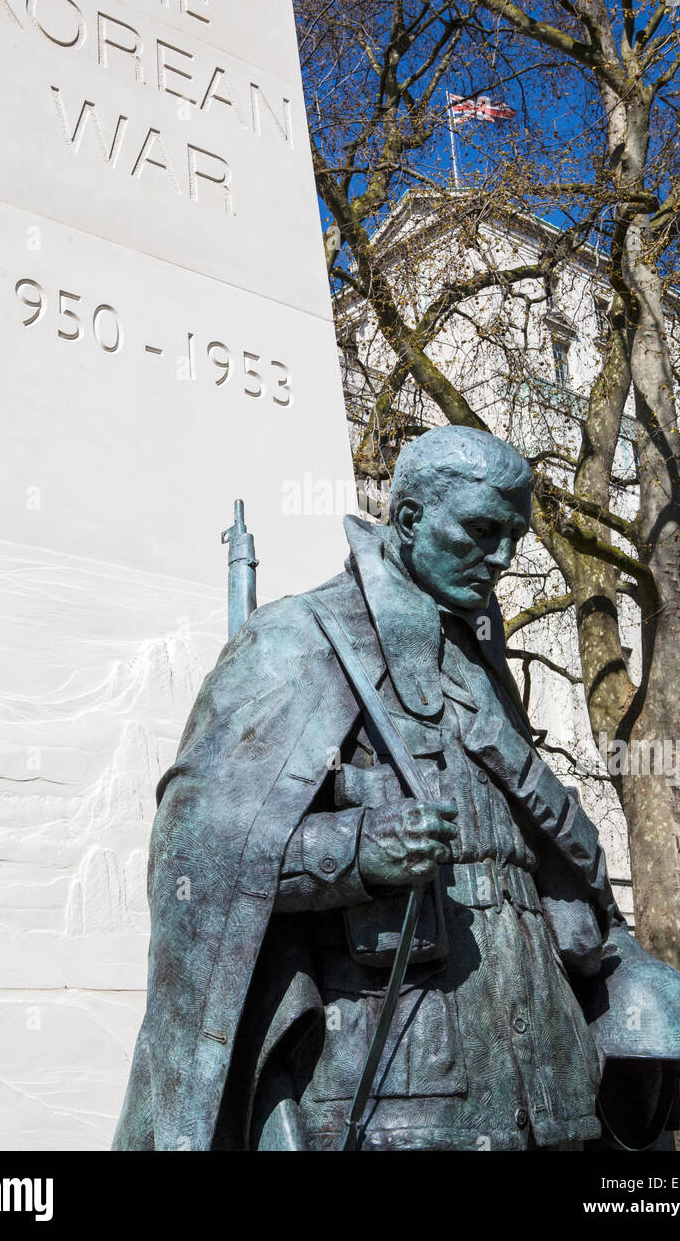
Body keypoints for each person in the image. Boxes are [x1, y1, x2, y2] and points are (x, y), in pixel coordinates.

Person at [114, 426, 621, 1151]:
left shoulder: (480, 662)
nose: (503, 558)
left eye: (514, 535)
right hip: (393, 1099)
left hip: (547, 1091)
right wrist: (356, 850)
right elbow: (193, 859)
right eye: (483, 530)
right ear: (408, 520)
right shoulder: (300, 637)